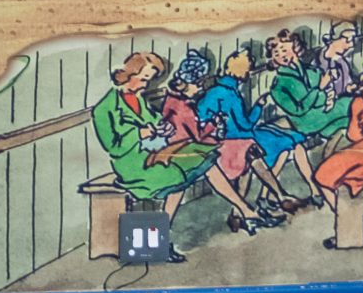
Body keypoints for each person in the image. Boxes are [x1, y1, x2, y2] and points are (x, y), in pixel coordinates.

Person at [88, 50, 218, 250]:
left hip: (153, 153)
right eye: (143, 79)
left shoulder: (138, 98)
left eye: (148, 80)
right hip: (130, 163)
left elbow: (153, 119)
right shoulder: (104, 109)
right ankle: (157, 239)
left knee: (199, 154)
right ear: (128, 75)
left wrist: (164, 127)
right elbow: (113, 147)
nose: (145, 85)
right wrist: (139, 134)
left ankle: (160, 236)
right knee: (176, 176)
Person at [159, 49, 285, 231]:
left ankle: (247, 213)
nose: (201, 88)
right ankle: (256, 208)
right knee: (245, 153)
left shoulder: (176, 100)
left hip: (193, 149)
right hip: (188, 153)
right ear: (188, 84)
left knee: (241, 157)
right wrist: (257, 107)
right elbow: (201, 134)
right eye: (198, 84)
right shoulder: (187, 107)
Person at [198, 45, 318, 209]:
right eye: (248, 70)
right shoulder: (231, 94)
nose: (249, 74)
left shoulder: (214, 91)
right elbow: (245, 125)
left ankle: (267, 197)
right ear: (242, 72)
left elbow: (203, 115)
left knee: (284, 137)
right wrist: (259, 106)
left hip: (224, 139)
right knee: (289, 142)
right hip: (240, 138)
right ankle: (281, 195)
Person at [314, 46, 363, 247]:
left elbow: (361, 131)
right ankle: (349, 228)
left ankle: (346, 225)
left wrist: (359, 102)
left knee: (323, 175)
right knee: (346, 179)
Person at [264, 27, 352, 142]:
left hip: (322, 112)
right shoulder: (278, 86)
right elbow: (299, 109)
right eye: (276, 53)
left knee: (348, 119)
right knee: (348, 104)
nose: (282, 56)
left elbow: (322, 95)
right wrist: (320, 88)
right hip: (305, 122)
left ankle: (326, 135)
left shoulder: (311, 71)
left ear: (295, 48)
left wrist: (328, 96)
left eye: (284, 50)